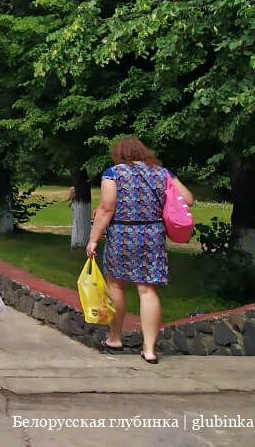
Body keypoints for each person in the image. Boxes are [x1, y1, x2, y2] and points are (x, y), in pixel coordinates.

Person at [86, 137, 195, 364]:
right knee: (147, 290)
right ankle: (149, 349)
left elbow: (106, 208)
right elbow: (188, 199)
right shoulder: (162, 173)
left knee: (116, 285)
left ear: (118, 154)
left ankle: (115, 338)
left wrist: (93, 239)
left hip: (122, 235)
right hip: (153, 235)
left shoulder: (113, 174)